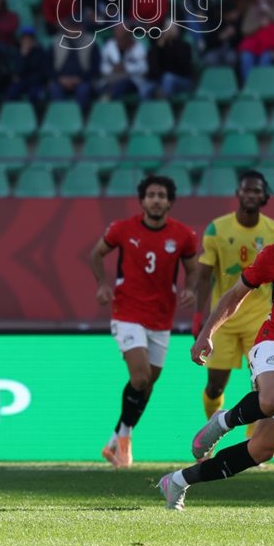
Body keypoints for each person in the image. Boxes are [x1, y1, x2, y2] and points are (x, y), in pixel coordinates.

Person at [159, 190, 274, 510]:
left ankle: (178, 481)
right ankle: (221, 422)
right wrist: (206, 333)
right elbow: (235, 294)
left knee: (262, 450)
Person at [89, 175, 200, 468]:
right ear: (142, 200)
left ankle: (114, 442)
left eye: (162, 195)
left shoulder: (184, 235)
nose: (156, 200)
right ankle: (125, 441)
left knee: (147, 384)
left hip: (161, 318)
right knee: (140, 378)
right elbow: (96, 254)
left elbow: (192, 269)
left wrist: (190, 289)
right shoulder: (122, 229)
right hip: (127, 312)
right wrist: (102, 284)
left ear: (169, 202)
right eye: (151, 195)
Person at [192, 171, 274, 427]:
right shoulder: (217, 228)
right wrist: (199, 318)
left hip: (259, 320)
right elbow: (205, 276)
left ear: (264, 196)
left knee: (264, 388)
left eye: (256, 190)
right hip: (224, 319)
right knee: (214, 387)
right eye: (247, 190)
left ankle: (252, 439)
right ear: (238, 193)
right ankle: (212, 430)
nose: (251, 195)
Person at [99, 28, 150, 99]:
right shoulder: (110, 45)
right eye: (117, 38)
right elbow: (102, 67)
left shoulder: (138, 47)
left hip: (132, 80)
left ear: (128, 37)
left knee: (121, 86)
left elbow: (144, 68)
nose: (119, 41)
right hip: (111, 79)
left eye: (122, 38)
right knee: (99, 88)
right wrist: (113, 68)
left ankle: (108, 99)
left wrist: (126, 67)